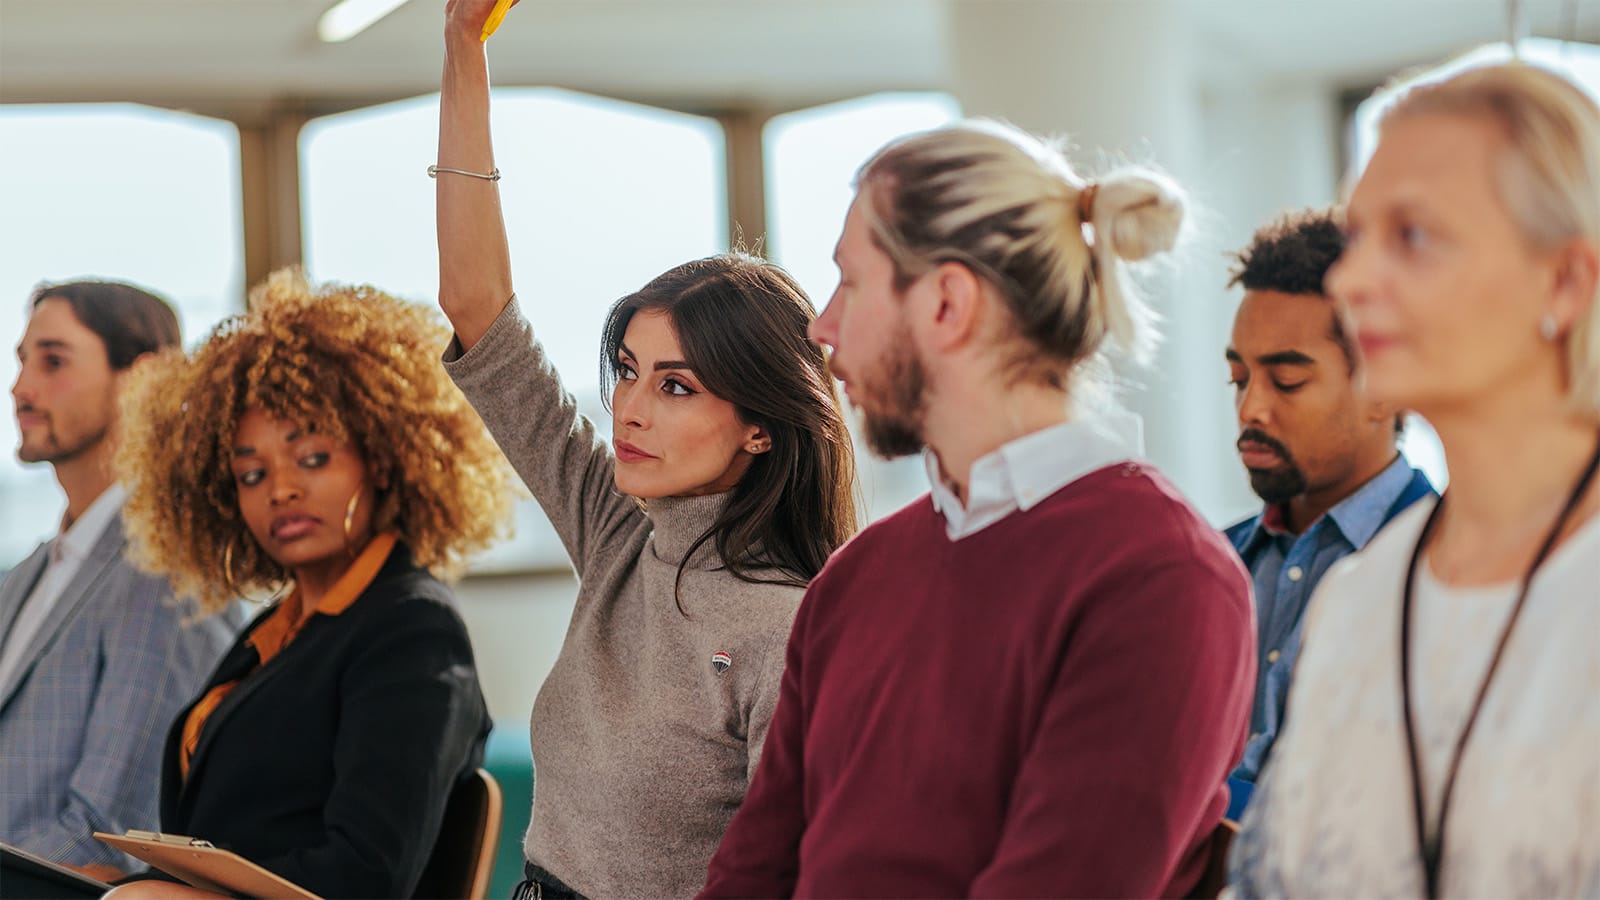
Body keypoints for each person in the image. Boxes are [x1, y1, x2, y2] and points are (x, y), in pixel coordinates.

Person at [701, 121, 1256, 897]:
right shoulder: (855, 579)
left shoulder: (1163, 580)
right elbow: (751, 875)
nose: (822, 330)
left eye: (851, 283)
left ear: (948, 303)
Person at [434, 2, 859, 896]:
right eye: (627, 371)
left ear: (762, 424)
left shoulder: (788, 627)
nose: (629, 408)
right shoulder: (619, 534)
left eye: (677, 386)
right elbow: (478, 307)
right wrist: (462, 49)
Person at [1230, 61, 1600, 898]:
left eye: (1415, 236)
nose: (1351, 282)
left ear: (1566, 281)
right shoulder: (1359, 600)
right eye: (1359, 239)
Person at [103, 269, 511, 899]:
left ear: (379, 457)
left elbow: (367, 877)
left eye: (312, 458)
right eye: (251, 473)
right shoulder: (276, 631)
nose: (282, 489)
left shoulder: (412, 630)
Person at [0, 281, 237, 879]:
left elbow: (108, 836)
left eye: (53, 361)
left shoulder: (166, 569)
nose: (20, 388)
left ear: (144, 381)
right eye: (22, 361)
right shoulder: (26, 577)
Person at [1221, 208, 1434, 818]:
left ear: (1385, 388)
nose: (1250, 408)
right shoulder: (1206, 565)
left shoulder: (1449, 575)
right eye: (1238, 377)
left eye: (1286, 380)